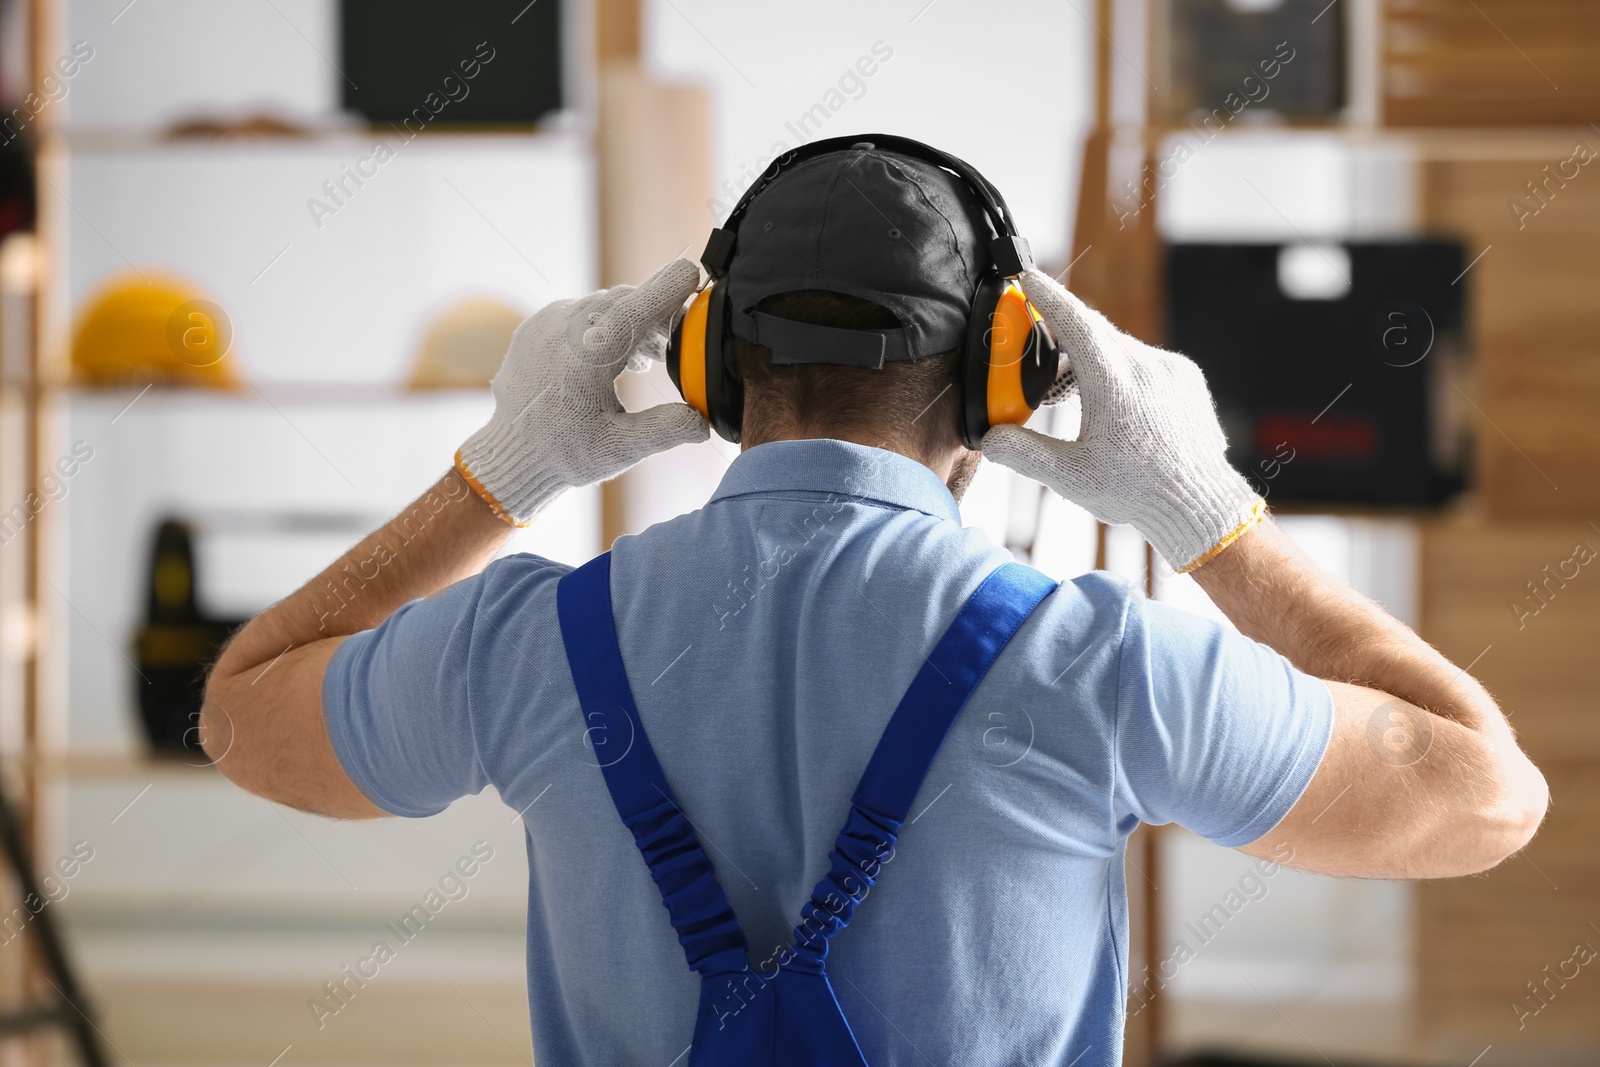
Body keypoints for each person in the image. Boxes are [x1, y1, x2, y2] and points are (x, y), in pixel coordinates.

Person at [202, 143, 1548, 1067]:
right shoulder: (1100, 664)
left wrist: (504, 475)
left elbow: (242, 719)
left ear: (714, 369)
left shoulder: (531, 642)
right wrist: (1208, 515)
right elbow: (1485, 798)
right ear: (1001, 383)